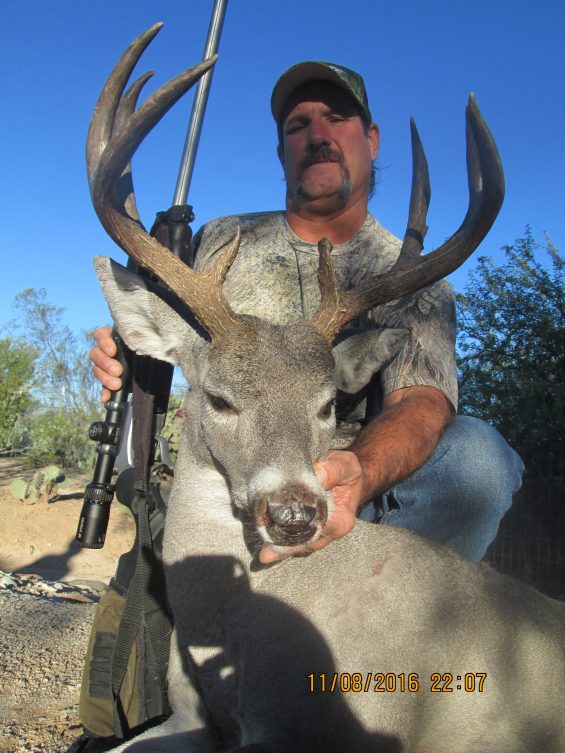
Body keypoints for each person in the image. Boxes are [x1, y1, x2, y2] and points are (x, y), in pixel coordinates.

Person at [78, 60, 524, 748]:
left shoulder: (411, 280)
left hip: (343, 498)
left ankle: (391, 656)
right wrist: (126, 351)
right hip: (227, 488)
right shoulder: (223, 240)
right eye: (296, 124)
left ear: (370, 139)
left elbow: (422, 401)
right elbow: (163, 338)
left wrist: (356, 473)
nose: (315, 134)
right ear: (281, 148)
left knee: (476, 459)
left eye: (334, 118)